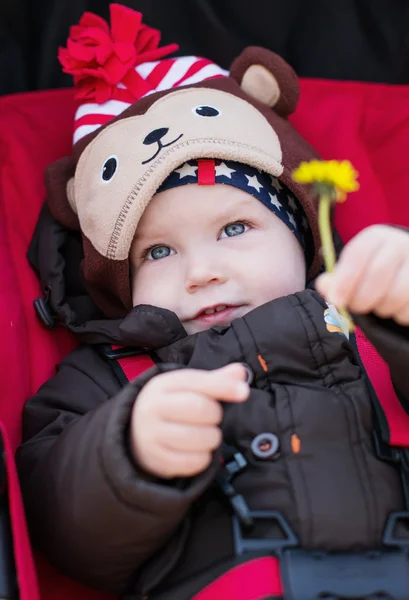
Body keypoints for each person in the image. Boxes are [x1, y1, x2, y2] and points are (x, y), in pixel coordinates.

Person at [16, 5, 409, 599]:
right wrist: (128, 450)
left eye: (233, 230)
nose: (201, 272)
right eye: (157, 253)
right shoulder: (109, 381)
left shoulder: (372, 332)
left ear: (301, 233)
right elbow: (55, 523)